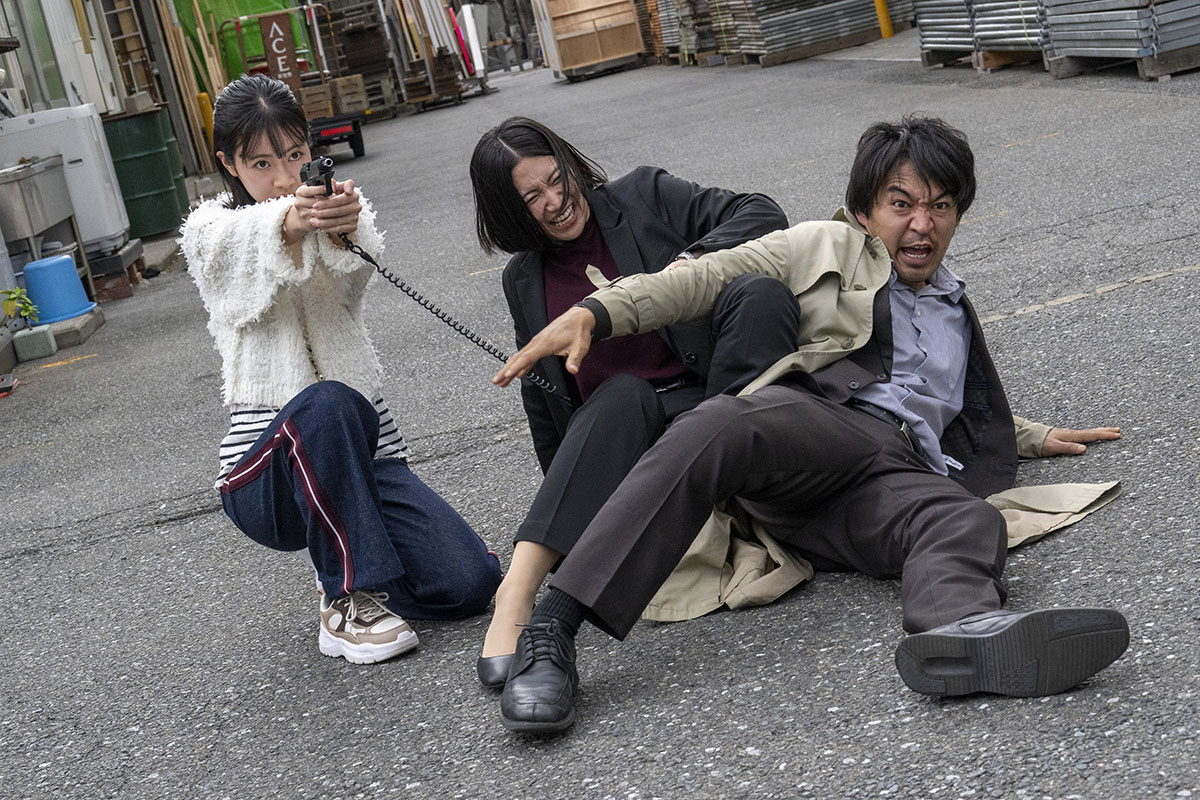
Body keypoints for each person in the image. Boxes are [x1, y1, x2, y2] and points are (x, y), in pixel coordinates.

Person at [491, 116, 1128, 732]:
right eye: (901, 204)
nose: (922, 224)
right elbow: (701, 280)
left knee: (966, 519)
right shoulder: (826, 245)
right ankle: (550, 632)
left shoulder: (953, 308)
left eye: (941, 207)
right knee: (724, 422)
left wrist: (1028, 435)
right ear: (864, 212)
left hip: (887, 473)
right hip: (821, 426)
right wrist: (597, 313)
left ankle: (960, 632)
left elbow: (939, 400)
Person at [181, 74, 501, 665]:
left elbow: (353, 279)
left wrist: (346, 227)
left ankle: (353, 553)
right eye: (261, 163)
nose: (283, 177)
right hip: (265, 479)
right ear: (228, 164)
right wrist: (293, 221)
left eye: (294, 154)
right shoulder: (209, 230)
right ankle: (346, 598)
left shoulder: (335, 213)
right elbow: (238, 247)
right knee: (326, 400)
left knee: (470, 584)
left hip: (364, 459)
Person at [468, 117, 795, 688]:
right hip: (626, 437)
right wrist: (568, 513)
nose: (555, 202)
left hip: (712, 405)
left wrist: (686, 268)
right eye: (532, 197)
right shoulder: (523, 278)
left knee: (759, 293)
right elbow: (544, 407)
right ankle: (517, 592)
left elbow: (763, 213)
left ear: (571, 163)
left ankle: (766, 498)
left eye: (557, 179)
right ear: (509, 212)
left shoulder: (643, 195)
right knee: (621, 393)